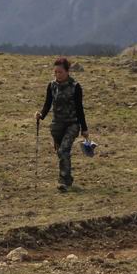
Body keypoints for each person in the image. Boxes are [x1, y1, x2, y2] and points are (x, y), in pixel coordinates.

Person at [36, 57, 89, 192]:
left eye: (60, 72)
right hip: (57, 126)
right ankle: (68, 178)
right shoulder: (52, 86)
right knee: (61, 153)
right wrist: (41, 115)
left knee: (63, 150)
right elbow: (47, 104)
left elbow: (79, 108)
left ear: (67, 71)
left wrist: (84, 128)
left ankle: (63, 181)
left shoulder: (75, 87)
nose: (57, 75)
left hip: (72, 124)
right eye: (55, 72)